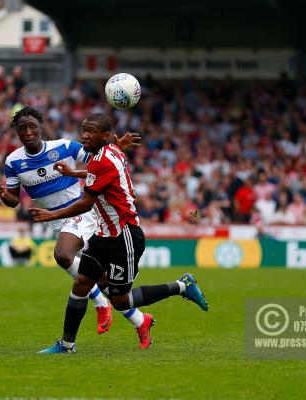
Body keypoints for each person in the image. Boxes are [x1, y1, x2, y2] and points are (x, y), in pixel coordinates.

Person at [30, 113, 209, 354]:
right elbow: (97, 174)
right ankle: (66, 344)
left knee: (121, 300)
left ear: (104, 136)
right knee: (81, 283)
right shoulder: (109, 152)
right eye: (83, 130)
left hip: (123, 236)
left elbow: (85, 203)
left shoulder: (103, 159)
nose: (84, 135)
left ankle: (181, 286)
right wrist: (74, 174)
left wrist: (50, 215)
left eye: (91, 131)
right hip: (104, 235)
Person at [0, 106, 152, 346]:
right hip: (56, 220)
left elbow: (99, 161)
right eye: (22, 128)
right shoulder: (13, 161)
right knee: (97, 279)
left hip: (82, 212)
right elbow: (14, 200)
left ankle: (98, 304)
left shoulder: (64, 147)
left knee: (62, 255)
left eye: (32, 127)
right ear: (16, 132)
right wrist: (4, 195)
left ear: (40, 128)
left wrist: (117, 148)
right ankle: (141, 320)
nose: (28, 132)